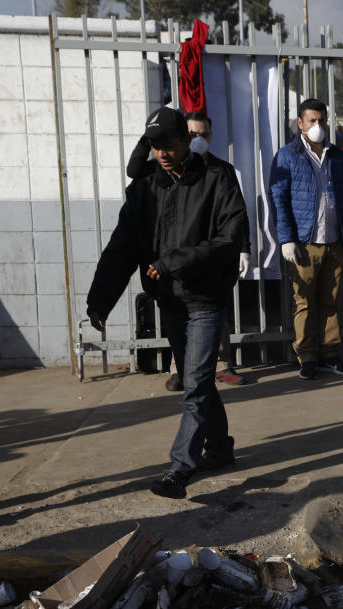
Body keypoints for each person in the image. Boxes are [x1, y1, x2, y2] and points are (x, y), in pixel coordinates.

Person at [88, 107, 248, 499]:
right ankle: (221, 448)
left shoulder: (216, 177)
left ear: (186, 142)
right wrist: (100, 300)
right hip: (170, 301)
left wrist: (172, 262)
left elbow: (230, 237)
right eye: (154, 146)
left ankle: (180, 468)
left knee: (193, 384)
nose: (162, 153)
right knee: (199, 382)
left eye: (169, 145)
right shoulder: (145, 188)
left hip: (205, 299)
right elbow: (122, 248)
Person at [128, 111, 252, 389]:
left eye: (203, 135)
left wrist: (245, 249)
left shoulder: (220, 172)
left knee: (212, 318)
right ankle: (180, 369)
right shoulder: (162, 169)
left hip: (208, 264)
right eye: (192, 135)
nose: (198, 140)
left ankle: (220, 365)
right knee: (177, 324)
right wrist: (150, 136)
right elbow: (133, 171)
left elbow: (236, 218)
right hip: (173, 268)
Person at [269, 98, 343, 381]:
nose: (318, 126)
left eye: (321, 120)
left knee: (330, 301)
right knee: (303, 301)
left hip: (333, 241)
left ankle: (330, 353)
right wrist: (286, 239)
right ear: (300, 124)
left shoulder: (338, 156)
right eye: (312, 121)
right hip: (304, 242)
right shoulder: (287, 156)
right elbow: (278, 198)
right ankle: (307, 356)